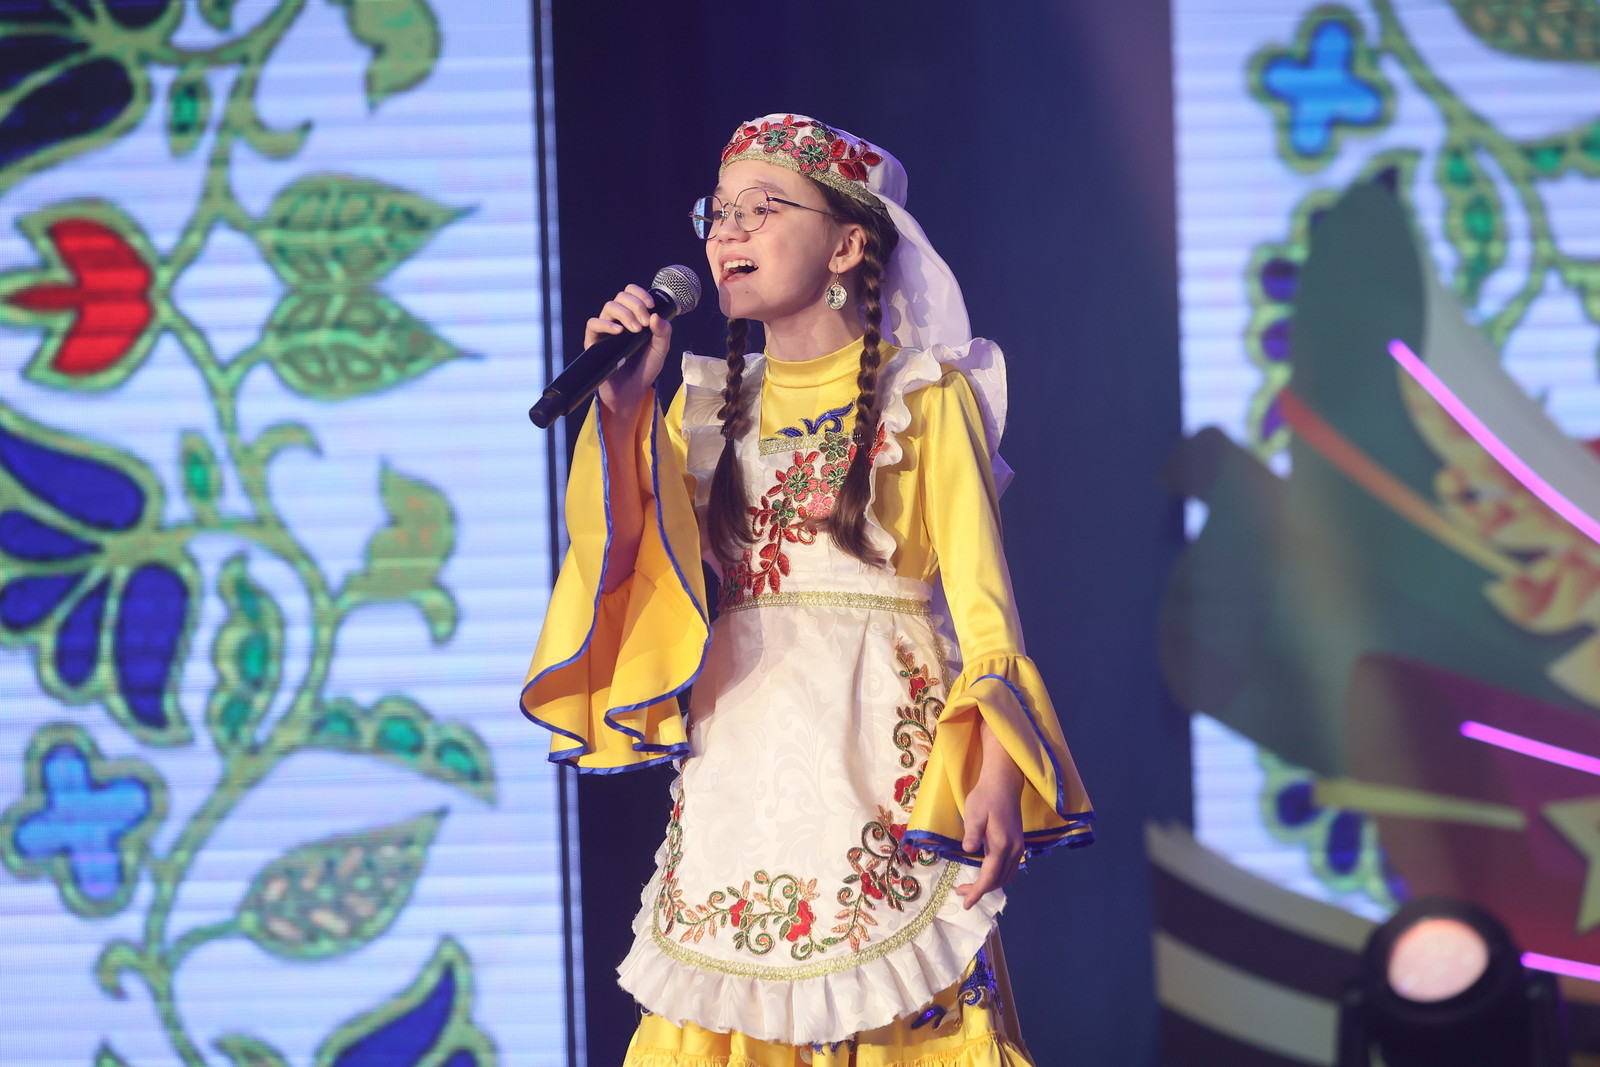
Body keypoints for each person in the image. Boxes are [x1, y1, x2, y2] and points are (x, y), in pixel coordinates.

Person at [521, 113, 1095, 1066]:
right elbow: (627, 570)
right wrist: (622, 411)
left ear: (848, 243)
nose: (727, 232)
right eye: (717, 212)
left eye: (761, 208)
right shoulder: (701, 405)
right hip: (741, 782)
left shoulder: (926, 395)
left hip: (883, 774)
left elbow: (987, 608)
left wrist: (997, 762)